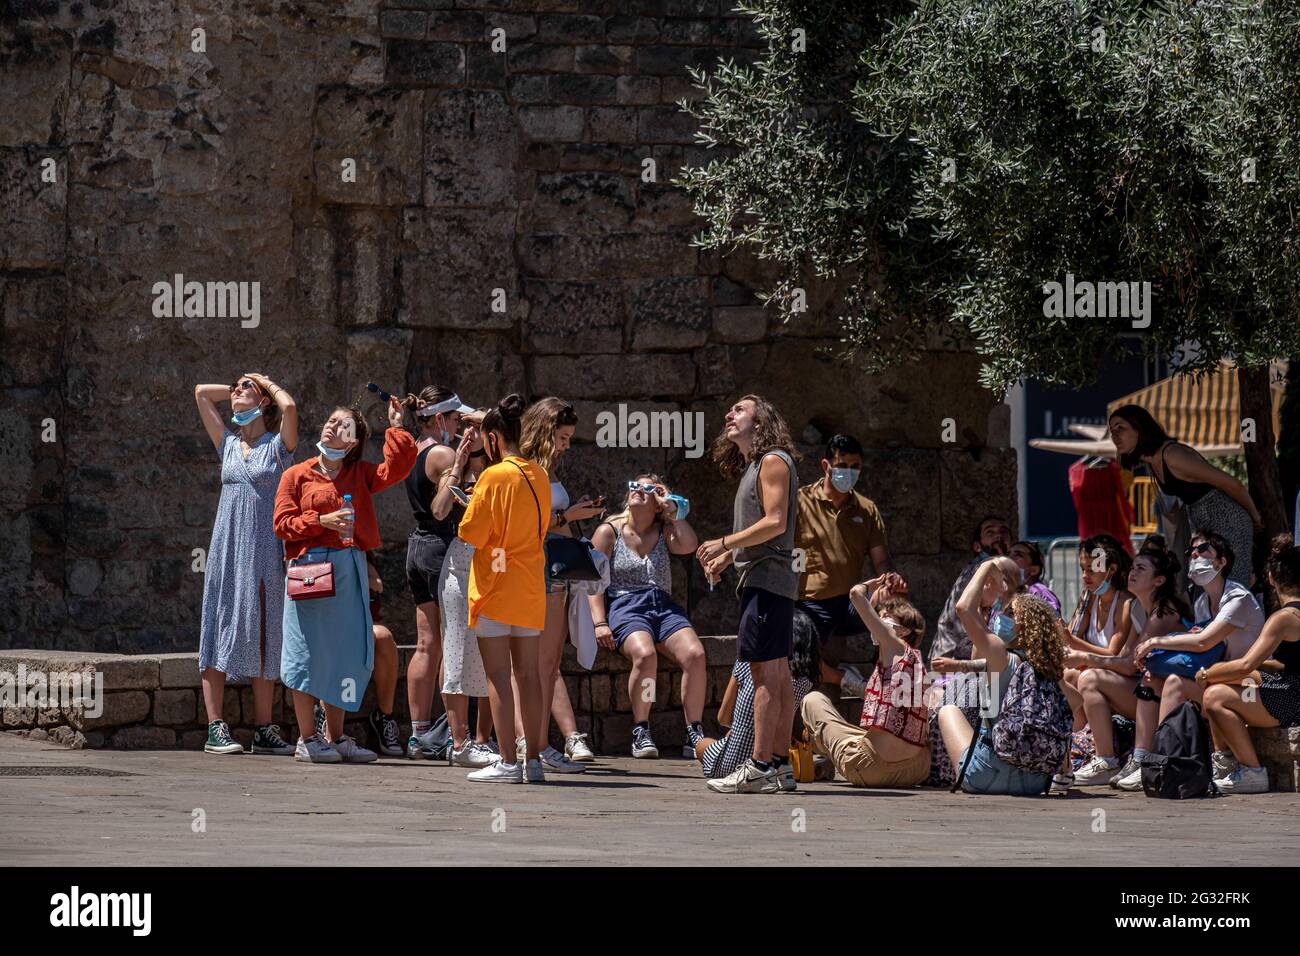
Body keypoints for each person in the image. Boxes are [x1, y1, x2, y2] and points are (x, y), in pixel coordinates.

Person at [274, 398, 415, 763]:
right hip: (308, 571)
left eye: (343, 425)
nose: (332, 427)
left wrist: (396, 427)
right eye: (330, 420)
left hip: (349, 570)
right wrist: (321, 522)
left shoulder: (361, 474)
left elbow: (398, 468)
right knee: (305, 653)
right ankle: (308, 739)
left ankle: (334, 737)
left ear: (353, 442)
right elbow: (281, 525)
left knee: (344, 654)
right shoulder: (297, 474)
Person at [697, 395, 801, 793]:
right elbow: (764, 529)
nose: (729, 414)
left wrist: (724, 543)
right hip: (766, 579)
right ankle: (778, 765)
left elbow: (774, 522)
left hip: (767, 580)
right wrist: (729, 557)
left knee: (762, 672)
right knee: (778, 672)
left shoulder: (773, 461)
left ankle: (758, 765)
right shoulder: (758, 465)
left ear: (761, 422)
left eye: (740, 409)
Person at [194, 372, 298, 756]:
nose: (236, 391)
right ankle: (215, 726)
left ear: (264, 401)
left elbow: (289, 407)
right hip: (227, 548)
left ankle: (263, 728)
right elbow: (202, 392)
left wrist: (265, 383)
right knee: (219, 621)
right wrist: (241, 384)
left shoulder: (277, 448)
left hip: (266, 549)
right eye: (235, 387)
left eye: (244, 388)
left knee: (264, 628)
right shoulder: (228, 444)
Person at [456, 394, 551, 784]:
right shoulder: (539, 473)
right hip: (529, 585)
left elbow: (472, 532)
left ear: (493, 439)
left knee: (498, 675)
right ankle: (534, 761)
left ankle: (509, 761)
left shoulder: (494, 476)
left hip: (496, 585)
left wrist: (469, 500)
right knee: (528, 675)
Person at [1128, 531, 1266, 787]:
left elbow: (1204, 642)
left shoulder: (1237, 598)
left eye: (1203, 550)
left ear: (1221, 562)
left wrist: (1154, 641)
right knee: (1152, 679)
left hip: (1245, 684)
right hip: (1217, 679)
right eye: (1191, 551)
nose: (1195, 554)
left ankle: (1165, 758)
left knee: (1177, 685)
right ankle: (1146, 759)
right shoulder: (1202, 602)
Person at [515, 397, 605, 772]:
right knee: (533, 662)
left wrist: (574, 516)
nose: (567, 445)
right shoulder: (522, 468)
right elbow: (524, 523)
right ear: (544, 432)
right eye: (563, 437)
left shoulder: (548, 470)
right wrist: (568, 514)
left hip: (558, 568)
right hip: (536, 567)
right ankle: (528, 744)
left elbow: (553, 520)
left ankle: (539, 743)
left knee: (550, 662)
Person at [589, 474, 706, 758]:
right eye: (635, 486)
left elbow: (690, 545)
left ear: (657, 503)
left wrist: (673, 510)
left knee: (696, 655)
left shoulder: (666, 531)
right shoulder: (610, 531)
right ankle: (641, 728)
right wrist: (599, 622)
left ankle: (695, 731)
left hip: (662, 606)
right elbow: (591, 580)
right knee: (646, 656)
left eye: (648, 489)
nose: (639, 491)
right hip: (625, 605)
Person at [937, 564, 1067, 796]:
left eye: (1009, 614)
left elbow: (963, 608)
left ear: (1025, 626)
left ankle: (945, 773)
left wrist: (987, 567)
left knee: (948, 710)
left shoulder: (1002, 656)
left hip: (986, 775)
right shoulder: (1051, 671)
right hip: (1035, 781)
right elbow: (1073, 711)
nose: (1000, 618)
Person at [1072, 541, 1188, 787]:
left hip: (1170, 695)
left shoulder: (1162, 614)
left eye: (1141, 569)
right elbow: (1126, 658)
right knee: (1086, 678)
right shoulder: (1141, 609)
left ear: (1159, 581)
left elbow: (1128, 665)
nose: (1132, 573)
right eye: (1133, 567)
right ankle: (1102, 757)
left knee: (1091, 677)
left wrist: (1085, 658)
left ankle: (1126, 759)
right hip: (1148, 689)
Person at [399, 385, 475, 759]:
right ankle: (449, 733)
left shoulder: (413, 448)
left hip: (417, 545)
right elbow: (446, 502)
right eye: (458, 418)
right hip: (442, 547)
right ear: (441, 418)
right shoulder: (444, 453)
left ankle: (418, 733)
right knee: (451, 643)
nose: (462, 424)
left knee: (426, 643)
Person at [793, 433, 901, 695]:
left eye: (855, 467)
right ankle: (844, 679)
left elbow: (881, 559)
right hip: (810, 602)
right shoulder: (799, 501)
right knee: (794, 655)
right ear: (826, 465)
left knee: (897, 612)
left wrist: (889, 580)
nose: (848, 472)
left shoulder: (866, 509)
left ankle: (887, 685)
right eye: (842, 466)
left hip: (853, 603)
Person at [800, 574, 931, 787]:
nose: (879, 619)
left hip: (873, 768)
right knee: (856, 735)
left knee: (813, 700)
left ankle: (818, 749)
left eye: (886, 616)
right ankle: (820, 749)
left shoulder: (895, 646)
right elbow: (869, 617)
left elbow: (855, 595)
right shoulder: (915, 661)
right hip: (916, 770)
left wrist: (869, 586)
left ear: (905, 630)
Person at [1109, 404, 1260, 585]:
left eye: (1120, 428)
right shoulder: (1153, 461)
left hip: (1229, 523)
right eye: (1112, 431)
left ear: (1139, 428)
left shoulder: (1172, 455)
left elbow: (1232, 483)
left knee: (1231, 591)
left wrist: (1255, 517)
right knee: (1206, 595)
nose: (1114, 436)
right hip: (1207, 529)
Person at [1199, 536, 1300, 794]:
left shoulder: (1284, 618)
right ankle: (1226, 763)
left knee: (1213, 695)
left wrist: (1208, 673)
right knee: (1228, 682)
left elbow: (1245, 665)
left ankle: (1249, 770)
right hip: (1291, 689)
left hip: (1293, 699)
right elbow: (1283, 664)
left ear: (1271, 578)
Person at [696, 607, 819, 786]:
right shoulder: (805, 682)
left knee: (701, 744)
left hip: (730, 763)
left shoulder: (748, 662)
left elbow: (723, 717)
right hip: (775, 762)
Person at [437, 409, 498, 768]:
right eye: (466, 427)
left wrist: (483, 417)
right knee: (458, 647)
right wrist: (458, 464)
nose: (470, 433)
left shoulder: (502, 468)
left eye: (478, 427)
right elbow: (440, 509)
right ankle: (459, 743)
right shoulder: (454, 466)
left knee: (493, 653)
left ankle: (484, 739)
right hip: (460, 566)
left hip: (495, 563)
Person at [928, 516, 1012, 661]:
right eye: (990, 532)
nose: (998, 535)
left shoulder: (1004, 570)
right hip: (954, 659)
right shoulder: (977, 572)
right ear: (977, 546)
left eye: (1003, 532)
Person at [1009, 540, 1061, 617]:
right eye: (1007, 554)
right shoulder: (1003, 591)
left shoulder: (1040, 592)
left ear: (1033, 570)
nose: (1009, 558)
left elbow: (1055, 620)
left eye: (1018, 555)